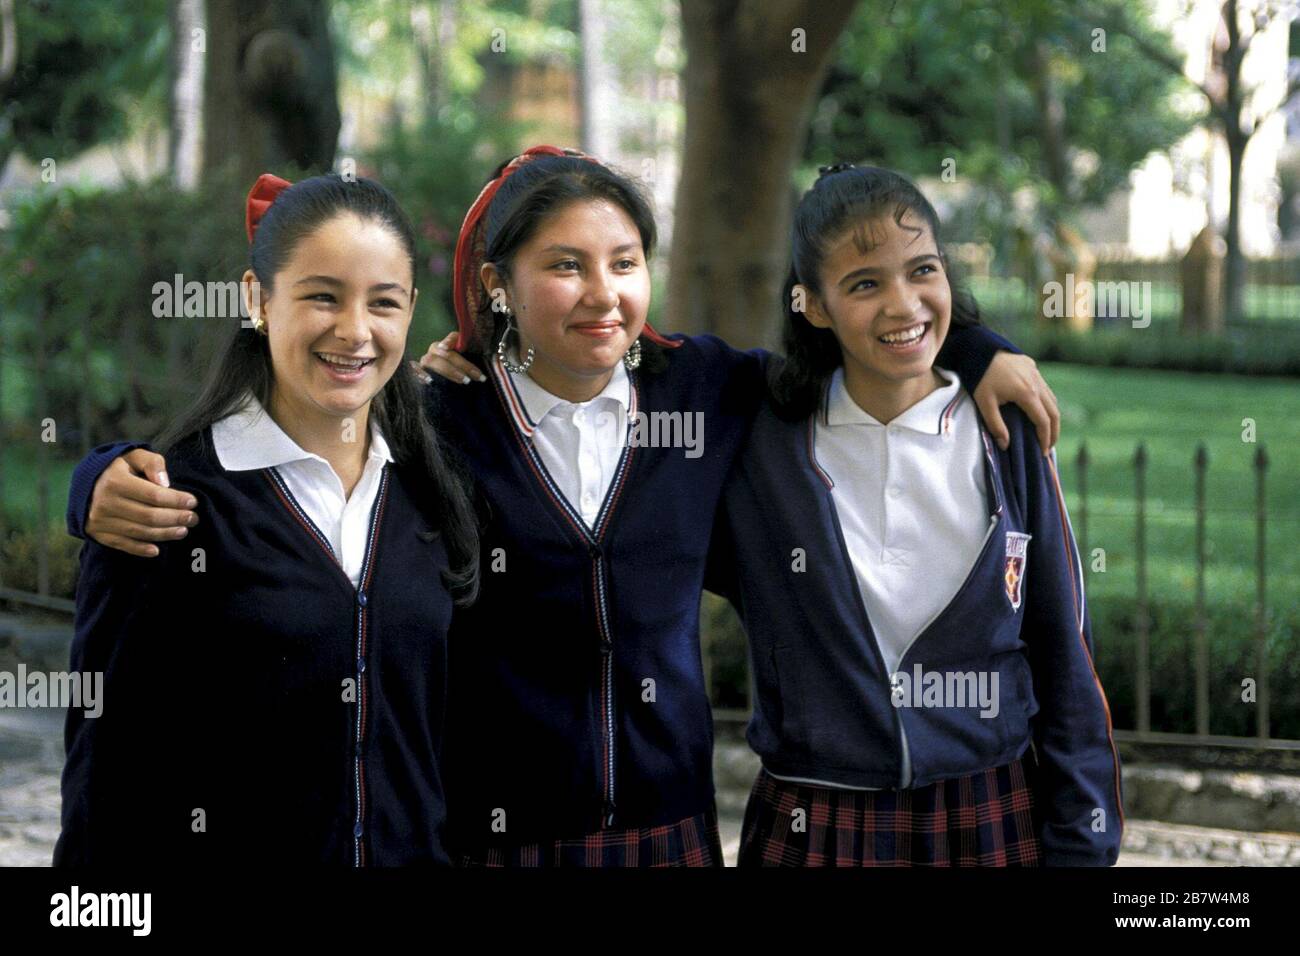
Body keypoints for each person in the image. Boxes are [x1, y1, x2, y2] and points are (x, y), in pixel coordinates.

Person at [66, 146, 1060, 866]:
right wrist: (99, 479)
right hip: (497, 836)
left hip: (668, 834)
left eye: (623, 261)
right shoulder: (441, 421)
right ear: (497, 285)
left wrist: (975, 346)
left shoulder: (706, 391)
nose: (602, 292)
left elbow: (864, 334)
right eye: (565, 265)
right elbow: (281, 439)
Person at [54, 173, 479, 866]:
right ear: (257, 299)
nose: (355, 331)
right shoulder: (162, 503)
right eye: (322, 296)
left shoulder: (434, 490)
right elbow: (105, 784)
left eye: (383, 303)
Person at [710, 164, 1121, 866]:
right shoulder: (758, 433)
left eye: (921, 270)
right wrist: (483, 344)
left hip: (991, 816)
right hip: (813, 823)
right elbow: (616, 349)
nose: (903, 304)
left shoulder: (1004, 432)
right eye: (864, 283)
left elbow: (1062, 646)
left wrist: (1085, 839)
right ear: (812, 304)